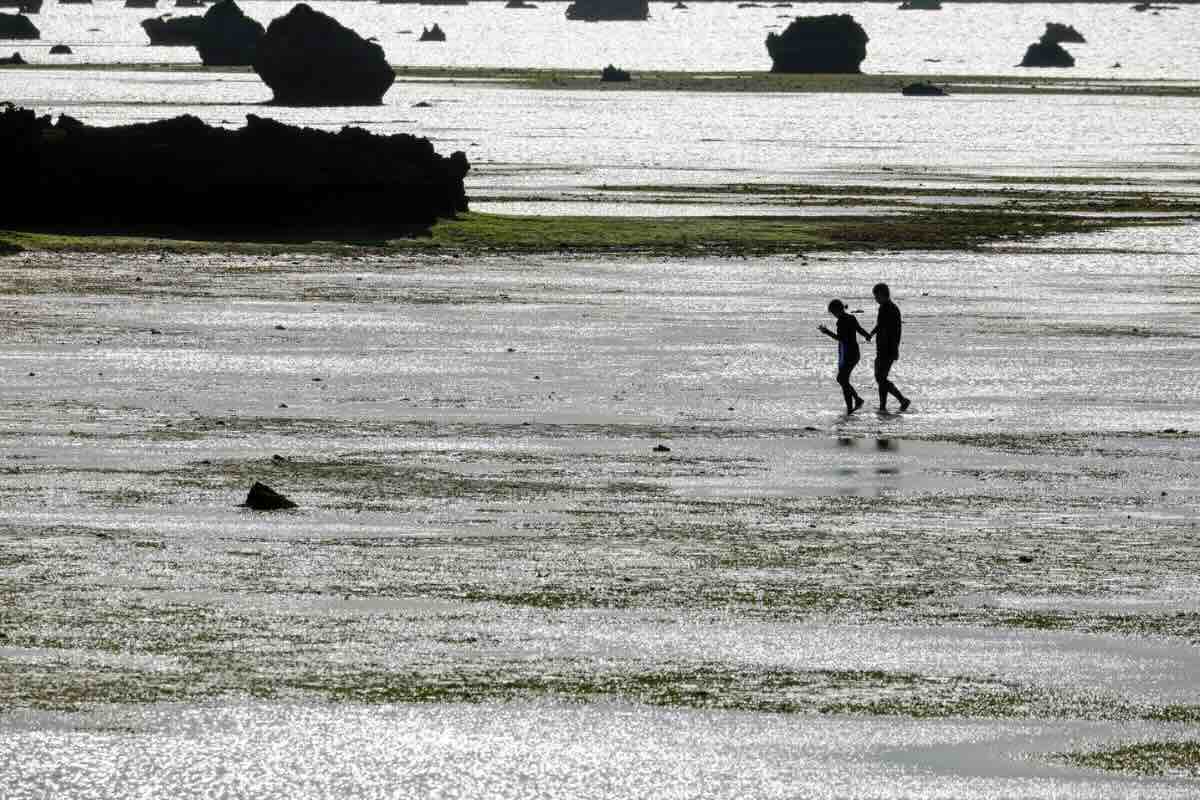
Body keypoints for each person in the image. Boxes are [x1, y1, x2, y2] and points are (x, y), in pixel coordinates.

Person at [818, 299, 871, 414]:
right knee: (843, 379)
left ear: (837, 310)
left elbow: (840, 339)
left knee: (842, 379)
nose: (833, 315)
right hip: (854, 353)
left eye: (833, 312)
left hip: (847, 353)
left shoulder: (841, 321)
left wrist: (826, 332)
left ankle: (852, 406)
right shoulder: (851, 318)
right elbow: (860, 329)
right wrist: (867, 335)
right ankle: (855, 402)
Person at [869, 282, 910, 412]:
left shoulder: (890, 308)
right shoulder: (885, 307)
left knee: (880, 378)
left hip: (888, 348)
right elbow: (880, 325)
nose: (875, 299)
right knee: (881, 378)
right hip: (882, 347)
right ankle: (883, 406)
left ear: (882, 294)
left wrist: (894, 349)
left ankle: (902, 400)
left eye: (876, 296)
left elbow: (895, 332)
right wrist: (872, 333)